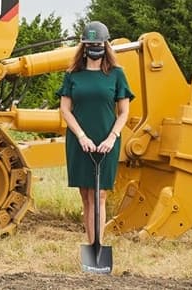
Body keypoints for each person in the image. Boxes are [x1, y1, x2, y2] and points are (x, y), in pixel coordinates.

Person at [56, 21, 133, 247]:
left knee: (99, 195)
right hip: (80, 141)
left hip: (106, 140)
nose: (94, 48)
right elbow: (65, 109)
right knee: (86, 196)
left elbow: (124, 112)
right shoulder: (73, 75)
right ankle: (91, 244)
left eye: (98, 44)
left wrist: (112, 137)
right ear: (84, 46)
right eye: (90, 44)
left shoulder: (117, 74)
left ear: (105, 45)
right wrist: (81, 136)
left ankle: (99, 244)